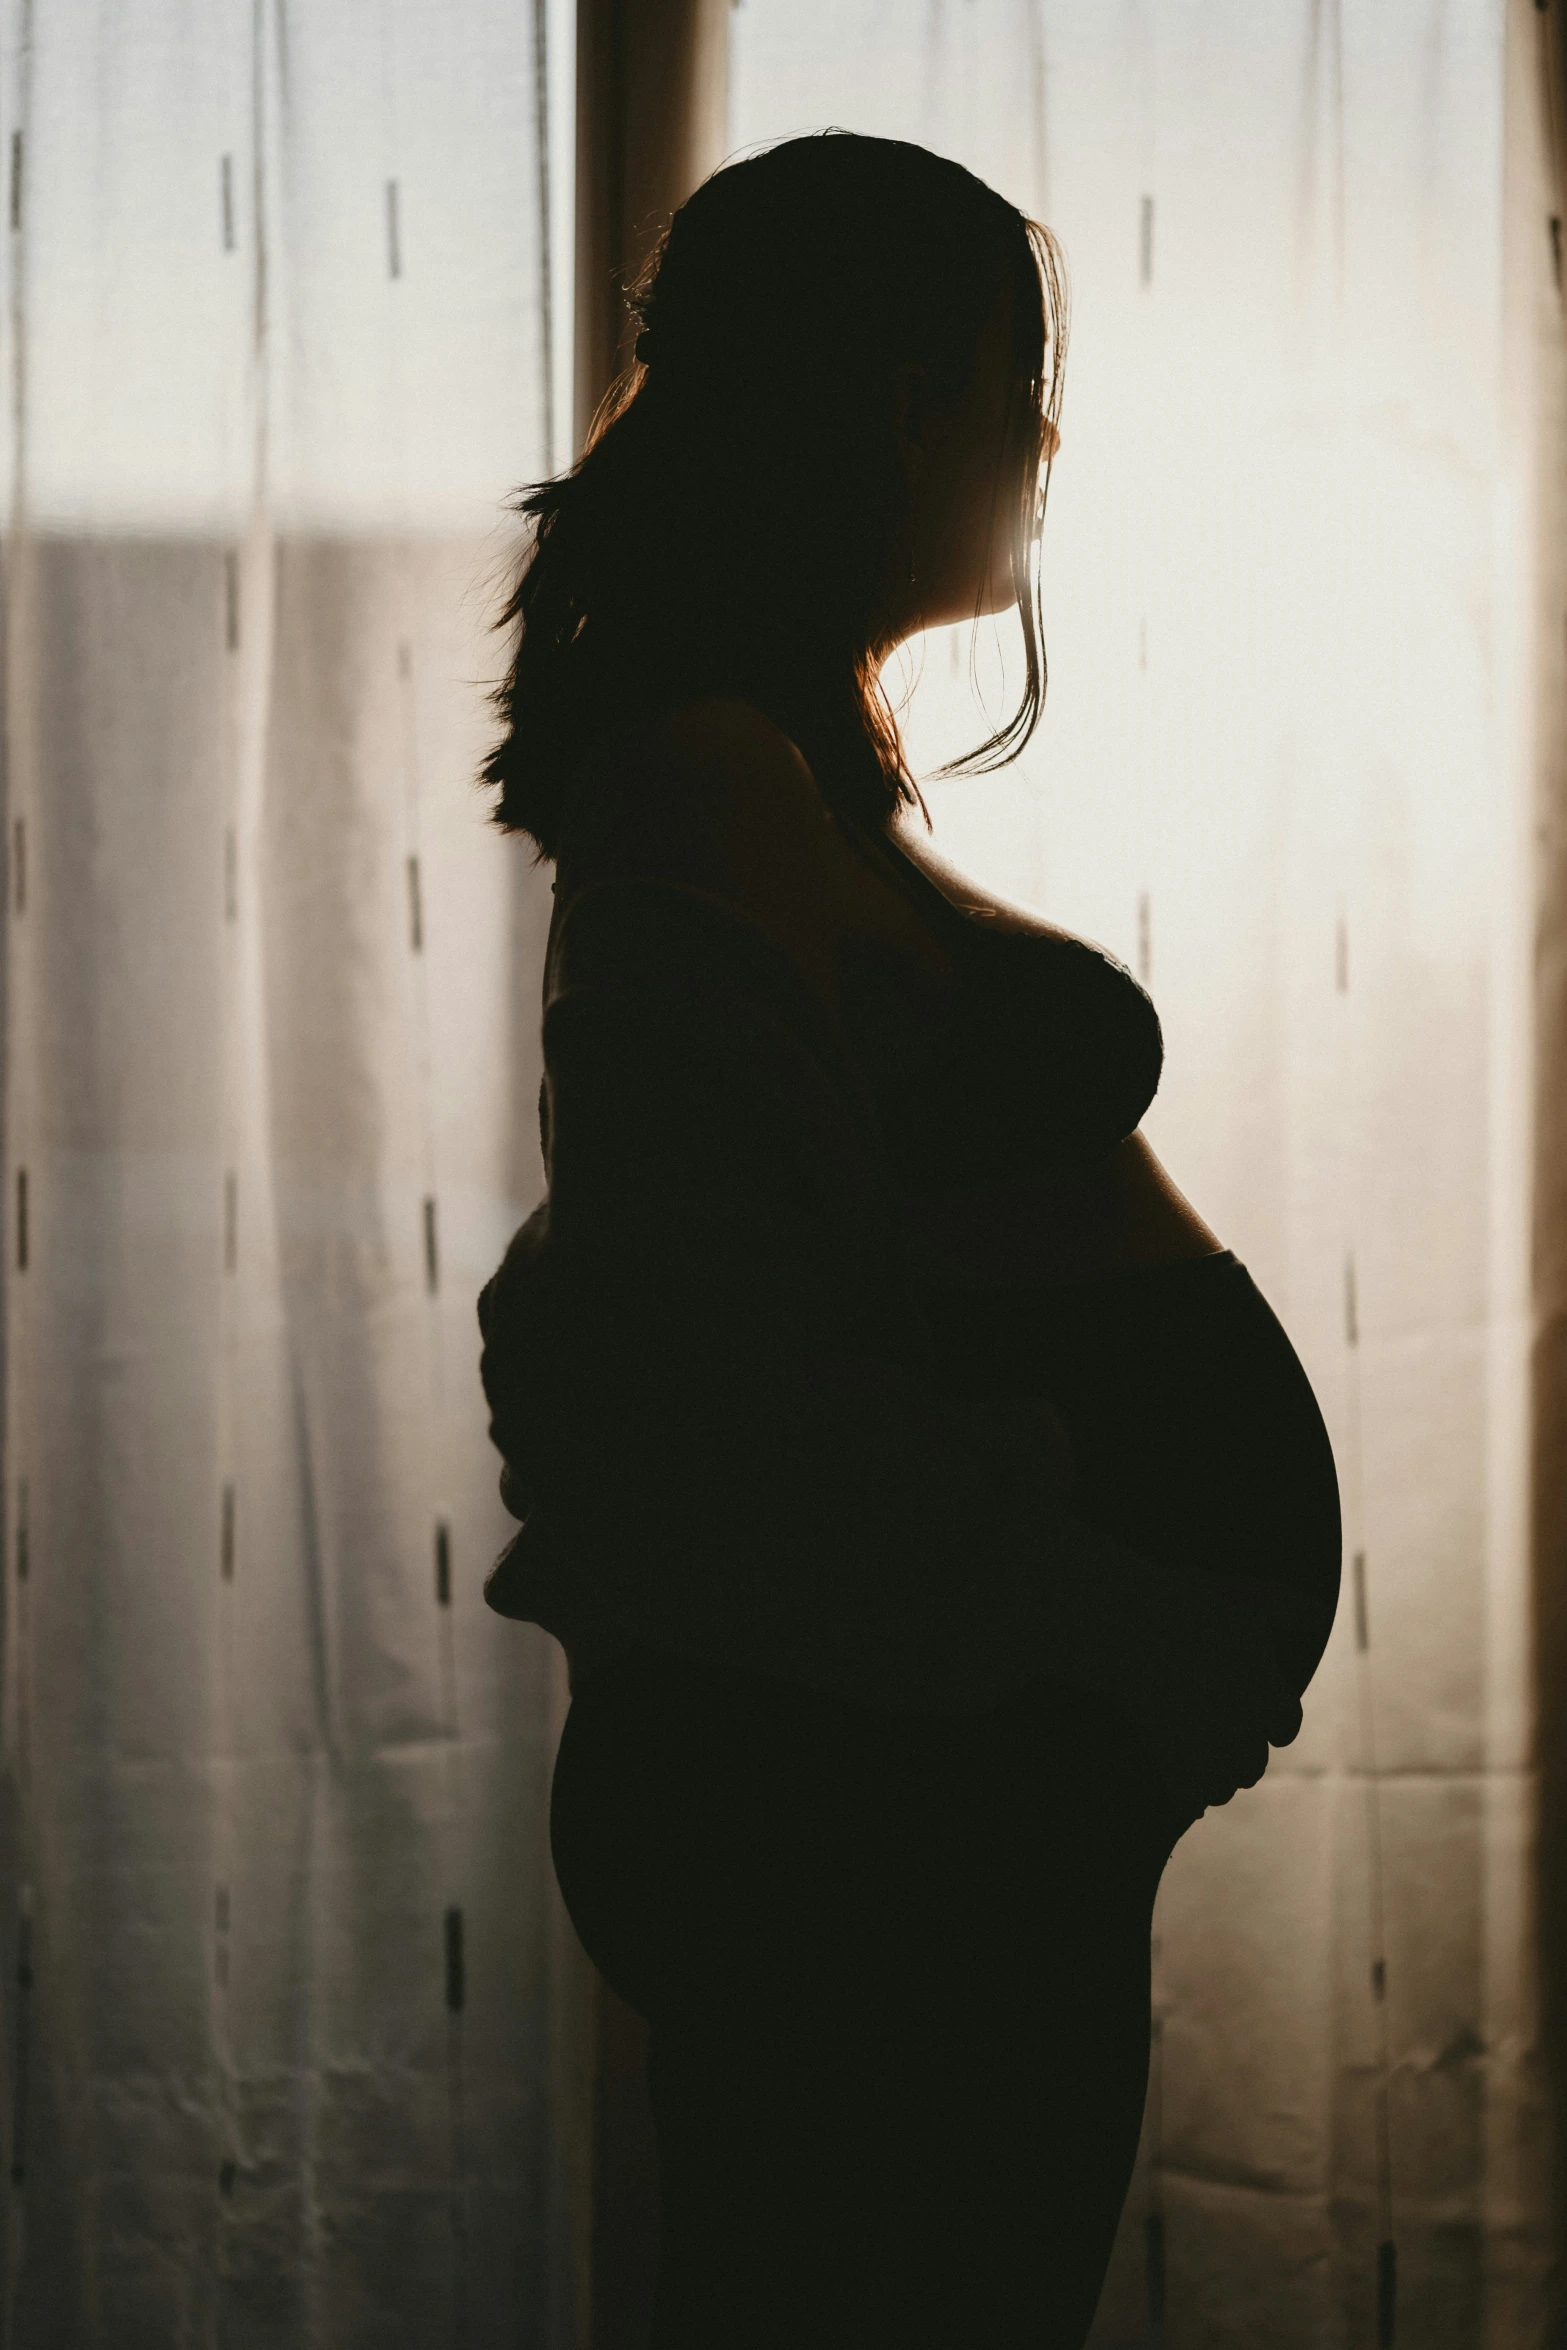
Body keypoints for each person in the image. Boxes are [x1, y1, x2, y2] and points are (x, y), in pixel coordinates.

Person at [475, 131, 1341, 2349]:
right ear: (900, 403)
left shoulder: (778, 765)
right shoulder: (705, 775)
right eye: (1009, 382)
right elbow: (706, 1371)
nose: (1038, 446)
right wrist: (1115, 1611)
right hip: (875, 1801)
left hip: (947, 1783)